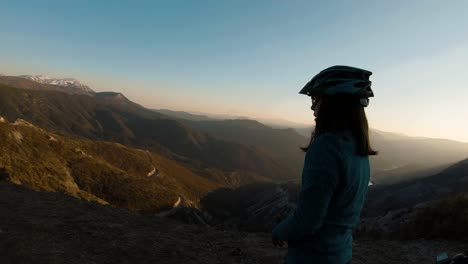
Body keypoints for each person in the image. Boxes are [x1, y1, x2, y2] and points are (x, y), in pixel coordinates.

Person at [272, 65, 378, 264]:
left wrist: (280, 231)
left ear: (333, 102)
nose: (313, 107)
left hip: (313, 256)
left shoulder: (327, 146)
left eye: (316, 98)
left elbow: (308, 220)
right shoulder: (358, 149)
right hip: (341, 254)